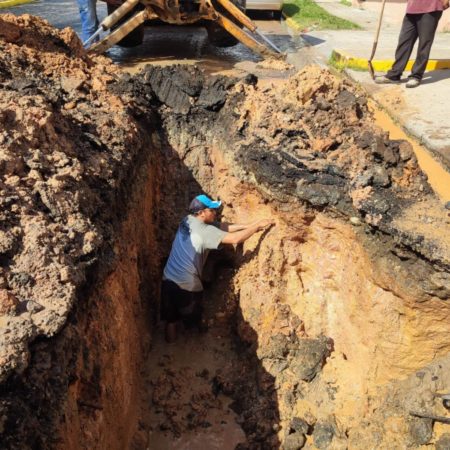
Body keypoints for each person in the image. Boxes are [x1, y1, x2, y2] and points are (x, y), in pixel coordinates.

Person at [161, 194, 274, 342]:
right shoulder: (205, 232)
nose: (216, 212)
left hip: (167, 279)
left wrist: (250, 224)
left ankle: (170, 348)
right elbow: (235, 239)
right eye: (212, 210)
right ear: (202, 213)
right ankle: (196, 348)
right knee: (195, 321)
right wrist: (257, 226)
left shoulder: (187, 220)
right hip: (187, 287)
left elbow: (223, 227)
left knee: (171, 319)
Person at [375, 0, 449, 88]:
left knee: (424, 44)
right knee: (404, 42)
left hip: (431, 7)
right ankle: (394, 75)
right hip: (412, 8)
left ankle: (416, 76)